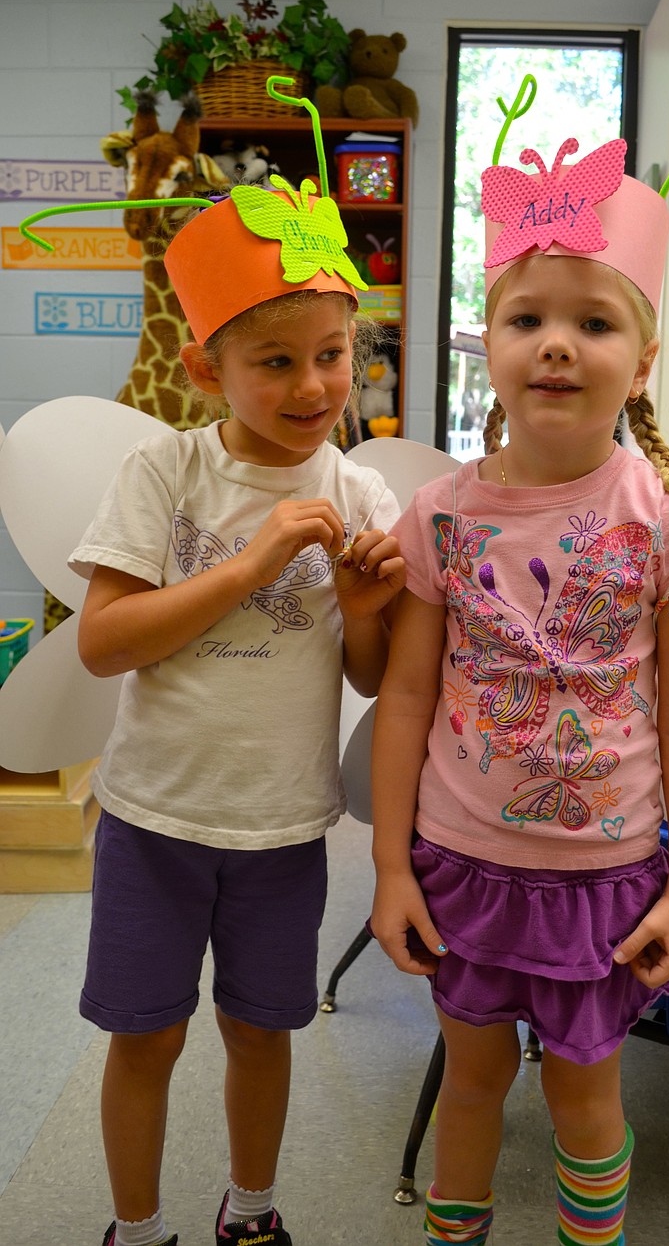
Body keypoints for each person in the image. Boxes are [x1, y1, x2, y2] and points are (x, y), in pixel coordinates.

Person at [369, 109, 669, 1246]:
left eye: (593, 321)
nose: (556, 344)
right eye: (527, 319)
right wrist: (390, 867)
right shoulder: (439, 515)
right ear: (489, 342)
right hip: (460, 866)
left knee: (584, 1102)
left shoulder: (668, 522)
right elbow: (406, 697)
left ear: (644, 357)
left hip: (603, 882)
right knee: (471, 1088)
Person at [69, 175, 405, 1246]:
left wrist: (364, 609)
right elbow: (103, 641)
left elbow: (369, 675)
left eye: (332, 354)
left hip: (280, 827)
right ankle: (136, 1227)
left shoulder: (361, 494)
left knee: (262, 1031)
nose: (313, 385)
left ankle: (251, 1213)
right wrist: (252, 562)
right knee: (145, 1035)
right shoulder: (165, 470)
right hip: (153, 819)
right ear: (205, 367)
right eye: (274, 361)